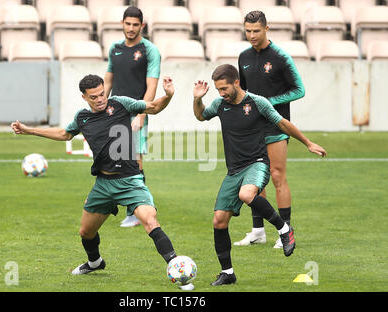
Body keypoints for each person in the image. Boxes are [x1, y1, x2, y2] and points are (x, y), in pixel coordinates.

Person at [11, 74, 187, 287]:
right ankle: (95, 263)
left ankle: (178, 270)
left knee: (150, 221)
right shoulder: (82, 118)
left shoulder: (121, 103)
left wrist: (167, 95)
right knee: (86, 232)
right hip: (103, 184)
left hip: (130, 181)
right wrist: (29, 130)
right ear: (84, 97)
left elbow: (154, 107)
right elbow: (65, 134)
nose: (100, 99)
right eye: (94, 97)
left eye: (102, 93)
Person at [192, 64, 326, 286]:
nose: (221, 94)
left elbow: (282, 123)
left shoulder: (257, 102)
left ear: (236, 82)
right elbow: (200, 116)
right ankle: (228, 273)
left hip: (257, 163)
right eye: (218, 90)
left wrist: (308, 143)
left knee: (247, 194)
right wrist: (197, 99)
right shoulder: (219, 104)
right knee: (219, 221)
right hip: (234, 171)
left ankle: (284, 229)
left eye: (224, 88)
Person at [235, 10, 306, 249]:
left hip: (276, 125)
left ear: (267, 29)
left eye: (256, 30)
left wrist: (267, 102)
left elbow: (299, 90)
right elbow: (243, 93)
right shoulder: (243, 56)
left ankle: (285, 231)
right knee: (256, 180)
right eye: (248, 31)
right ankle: (258, 231)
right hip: (252, 128)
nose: (252, 35)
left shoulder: (281, 56)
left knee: (277, 176)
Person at [104, 6, 161, 228]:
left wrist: (141, 114)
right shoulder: (115, 48)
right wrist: (99, 106)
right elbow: (108, 80)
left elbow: (151, 86)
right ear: (122, 24)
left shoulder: (150, 50)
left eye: (135, 25)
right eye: (127, 24)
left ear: (142, 26)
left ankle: (137, 211)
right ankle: (119, 204)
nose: (131, 28)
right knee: (114, 158)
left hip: (136, 113)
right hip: (113, 112)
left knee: (134, 160)